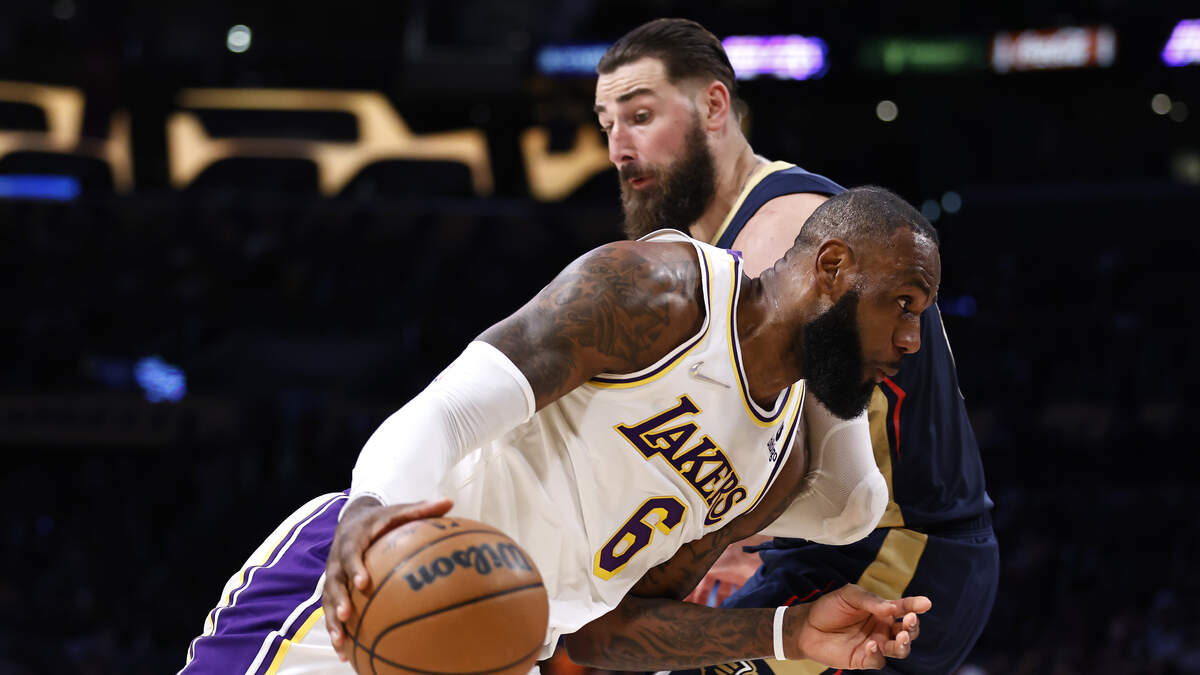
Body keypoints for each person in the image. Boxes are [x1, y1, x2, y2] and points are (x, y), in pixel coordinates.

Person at [180, 185, 940, 674]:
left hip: (500, 649)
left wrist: (789, 632)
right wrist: (372, 512)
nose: (911, 340)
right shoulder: (663, 295)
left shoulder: (778, 465)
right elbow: (446, 412)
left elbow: (603, 633)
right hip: (377, 582)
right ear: (832, 267)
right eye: (901, 304)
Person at [593, 18, 999, 675]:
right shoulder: (721, 237)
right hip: (820, 548)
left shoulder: (779, 232)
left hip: (895, 554)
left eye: (640, 116)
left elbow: (776, 458)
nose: (619, 147)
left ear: (714, 107)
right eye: (607, 123)